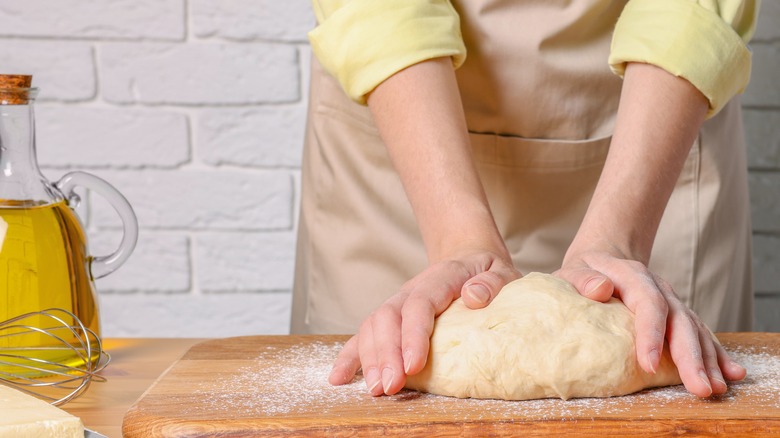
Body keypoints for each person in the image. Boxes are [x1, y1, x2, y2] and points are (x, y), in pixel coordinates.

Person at [292, 0, 759, 399]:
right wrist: (457, 237)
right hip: (401, 114)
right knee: (384, 379)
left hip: (656, 121)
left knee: (673, 372)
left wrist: (619, 239)